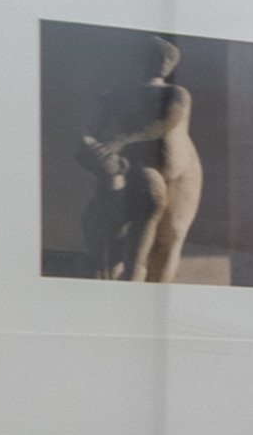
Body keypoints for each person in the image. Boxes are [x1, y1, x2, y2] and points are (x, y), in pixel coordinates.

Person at [81, 37, 206, 282]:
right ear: (140, 59)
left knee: (172, 236)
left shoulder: (176, 93)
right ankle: (131, 280)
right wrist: (90, 146)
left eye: (169, 59)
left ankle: (157, 289)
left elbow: (165, 124)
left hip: (185, 171)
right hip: (140, 165)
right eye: (157, 56)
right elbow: (89, 132)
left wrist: (119, 140)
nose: (163, 63)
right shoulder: (116, 94)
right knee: (136, 219)